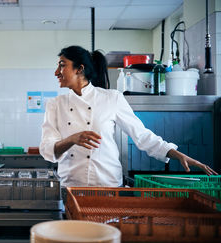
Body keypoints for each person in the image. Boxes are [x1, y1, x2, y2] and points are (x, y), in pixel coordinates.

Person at [39, 45, 217, 187]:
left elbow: (142, 135)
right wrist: (71, 139)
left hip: (108, 185)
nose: (56, 72)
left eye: (62, 65)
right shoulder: (55, 105)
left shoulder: (111, 98)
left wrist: (178, 154)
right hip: (71, 186)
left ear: (80, 69)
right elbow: (47, 149)